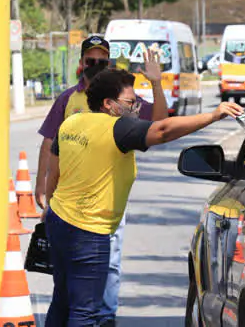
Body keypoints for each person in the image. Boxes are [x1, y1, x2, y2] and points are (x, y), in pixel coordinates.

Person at [43, 67, 244, 326]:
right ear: (109, 104)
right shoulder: (117, 128)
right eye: (130, 101)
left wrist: (49, 208)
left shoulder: (71, 123)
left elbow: (54, 172)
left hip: (59, 220)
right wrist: (213, 115)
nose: (135, 106)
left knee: (62, 300)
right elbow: (163, 130)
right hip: (88, 231)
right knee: (85, 311)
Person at [36, 35, 168, 324]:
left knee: (107, 268)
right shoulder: (69, 99)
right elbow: (50, 146)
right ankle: (94, 316)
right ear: (81, 63)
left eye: (101, 60)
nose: (95, 65)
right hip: (69, 209)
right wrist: (44, 193)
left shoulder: (122, 99)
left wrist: (156, 83)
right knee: (72, 298)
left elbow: (159, 123)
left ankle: (105, 317)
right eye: (90, 60)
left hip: (105, 201)